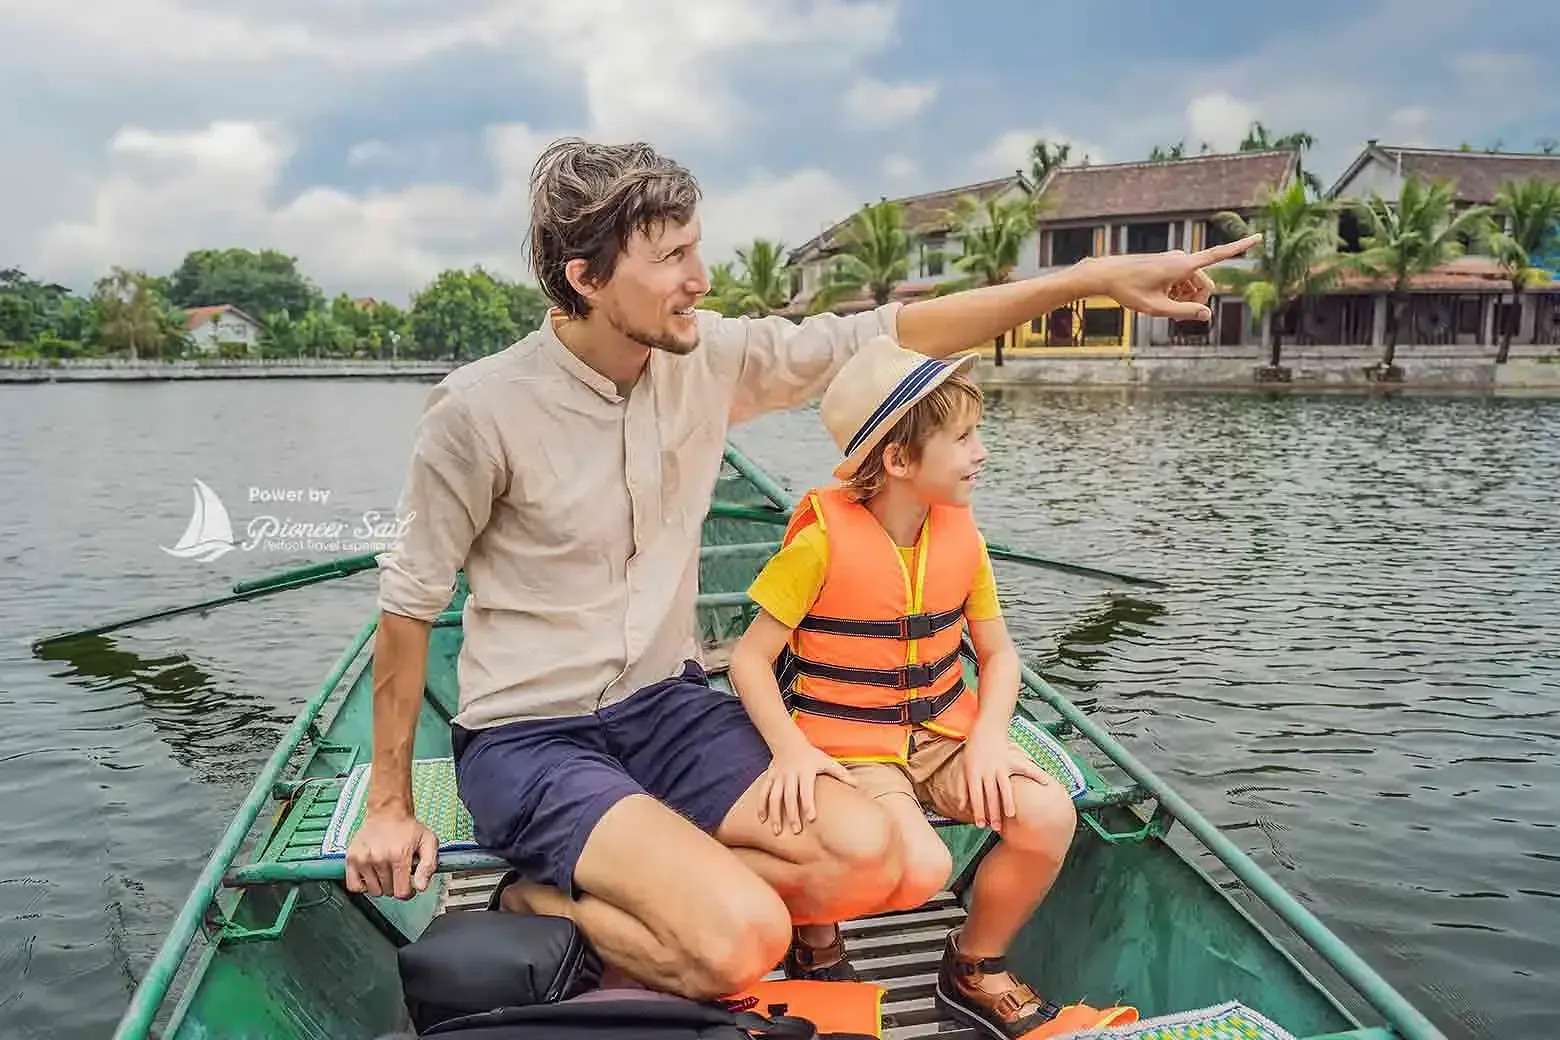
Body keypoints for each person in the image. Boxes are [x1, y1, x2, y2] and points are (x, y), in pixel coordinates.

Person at [343, 135, 1259, 1002]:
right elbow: (410, 606)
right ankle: (536, 902)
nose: (698, 282)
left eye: (696, 249)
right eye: (668, 261)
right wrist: (389, 804)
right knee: (747, 944)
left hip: (666, 705)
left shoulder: (710, 360)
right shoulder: (478, 412)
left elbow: (900, 328)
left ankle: (668, 882)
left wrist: (1093, 277)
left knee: (878, 853)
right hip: (534, 737)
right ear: (584, 279)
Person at [726, 335, 1080, 1037]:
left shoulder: (963, 538)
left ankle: (972, 965)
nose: (981, 452)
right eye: (964, 437)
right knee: (912, 860)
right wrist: (792, 752)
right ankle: (816, 937)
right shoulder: (819, 543)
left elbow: (999, 655)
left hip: (946, 734)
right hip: (852, 746)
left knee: (1048, 816)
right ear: (898, 460)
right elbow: (747, 660)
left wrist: (988, 741)